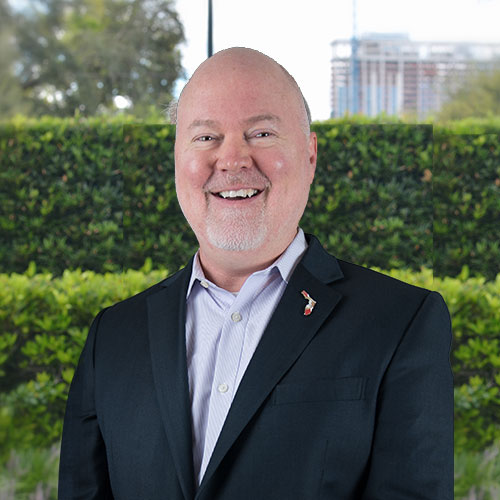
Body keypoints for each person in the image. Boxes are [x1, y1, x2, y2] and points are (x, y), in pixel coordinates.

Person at [59, 47, 453, 499]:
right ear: (176, 158)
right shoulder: (112, 336)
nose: (232, 160)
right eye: (205, 137)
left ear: (309, 155)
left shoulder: (401, 322)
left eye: (261, 133)